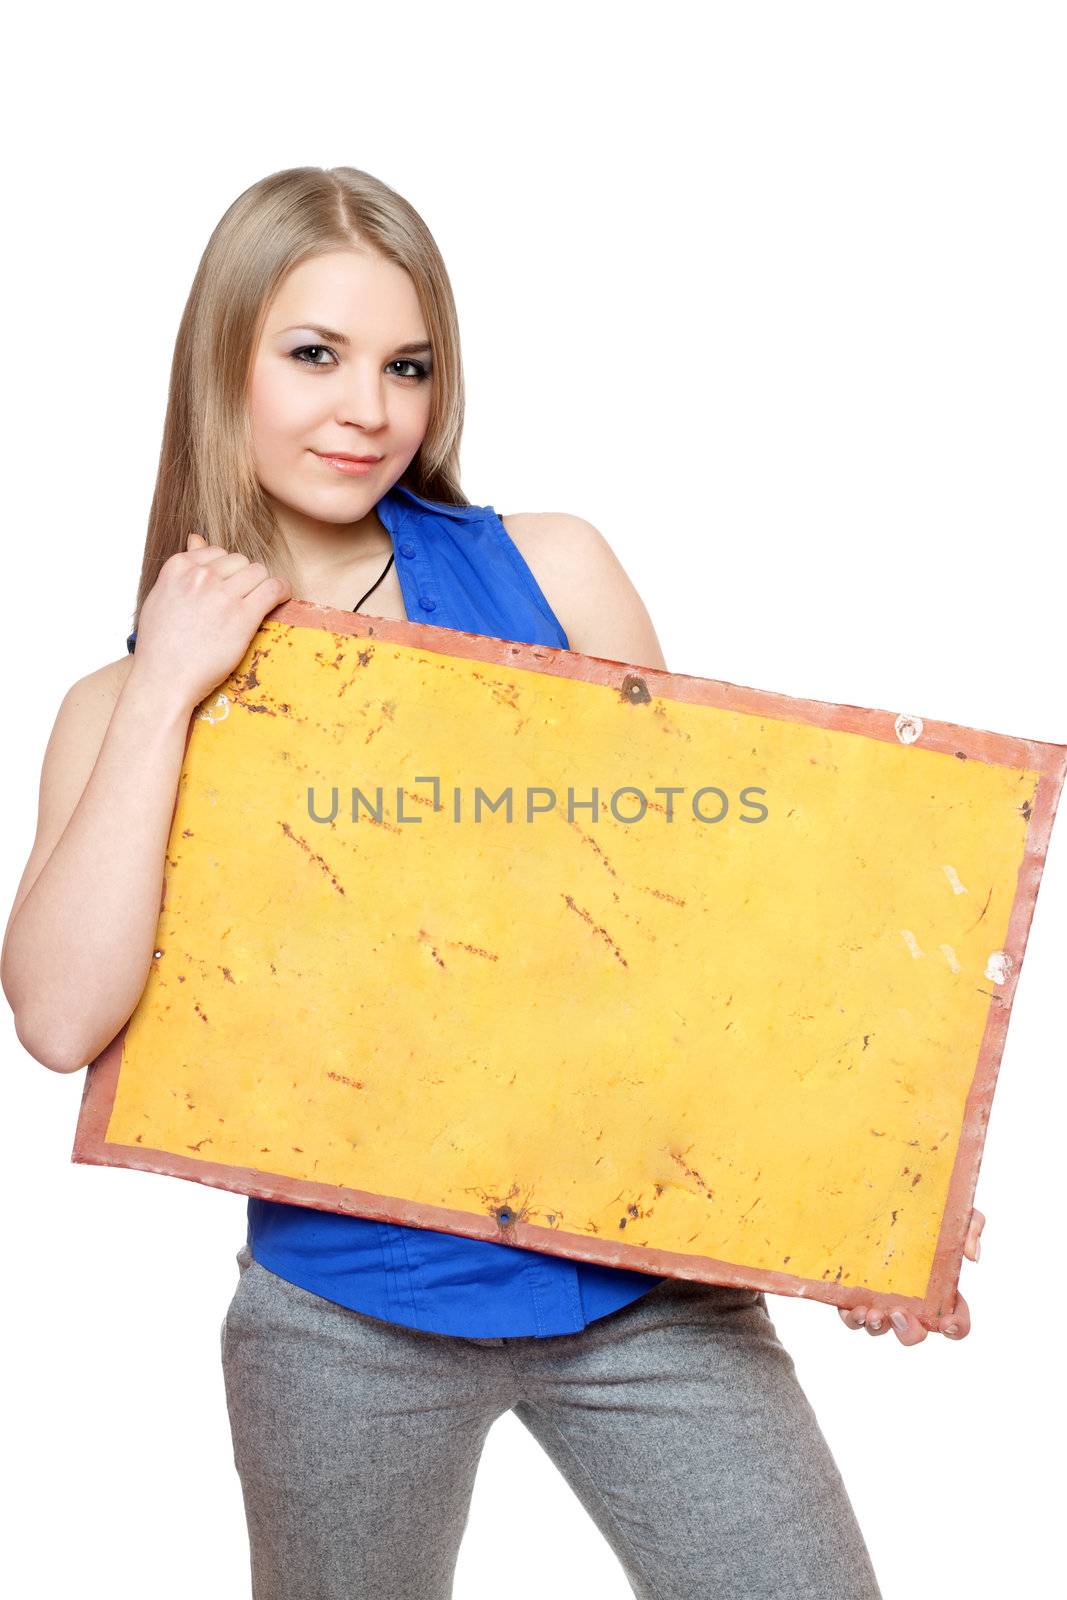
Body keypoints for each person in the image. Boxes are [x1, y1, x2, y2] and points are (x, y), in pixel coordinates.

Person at [1, 165, 983, 1600]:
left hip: (648, 1293)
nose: (369, 410)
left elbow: (710, 942)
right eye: (314, 355)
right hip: (345, 1316)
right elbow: (59, 1019)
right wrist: (167, 688)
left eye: (407, 366)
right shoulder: (119, 700)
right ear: (224, 362)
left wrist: (874, 1199)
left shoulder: (557, 572)